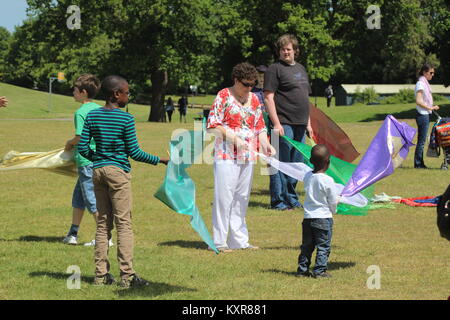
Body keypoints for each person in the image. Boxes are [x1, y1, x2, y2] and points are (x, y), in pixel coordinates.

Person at [78, 75, 169, 288]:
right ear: (116, 94)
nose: (128, 96)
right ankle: (127, 276)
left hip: (98, 172)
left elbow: (83, 148)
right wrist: (160, 160)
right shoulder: (125, 119)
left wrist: (99, 160)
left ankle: (100, 276)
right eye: (126, 92)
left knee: (102, 225)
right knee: (124, 224)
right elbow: (134, 152)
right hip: (118, 174)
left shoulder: (92, 116)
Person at [207, 62, 276, 252]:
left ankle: (239, 241)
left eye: (252, 84)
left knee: (241, 199)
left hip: (248, 156)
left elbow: (259, 126)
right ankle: (219, 242)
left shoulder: (254, 99)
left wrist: (266, 143)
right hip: (226, 155)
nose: (249, 88)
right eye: (245, 84)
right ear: (236, 80)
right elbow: (212, 125)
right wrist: (235, 139)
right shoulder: (223, 96)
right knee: (224, 198)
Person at [264, 34, 313, 211]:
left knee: (297, 165)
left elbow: (305, 97)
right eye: (283, 49)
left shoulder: (301, 69)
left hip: (300, 124)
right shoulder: (274, 69)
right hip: (283, 123)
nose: (286, 52)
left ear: (295, 51)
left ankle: (291, 198)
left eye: (289, 49)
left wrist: (308, 123)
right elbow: (268, 97)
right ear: (279, 52)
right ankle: (279, 201)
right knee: (279, 163)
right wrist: (276, 124)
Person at [63, 74, 110, 247]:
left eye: (75, 91)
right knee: (79, 199)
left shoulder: (80, 112)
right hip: (98, 159)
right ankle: (72, 234)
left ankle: (105, 237)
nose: (73, 93)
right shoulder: (99, 109)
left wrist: (69, 143)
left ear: (83, 92)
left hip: (86, 161)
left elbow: (80, 136)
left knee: (92, 200)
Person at [296, 144, 338, 278]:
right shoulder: (328, 180)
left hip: (308, 218)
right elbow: (332, 200)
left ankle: (302, 270)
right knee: (323, 246)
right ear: (328, 162)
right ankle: (319, 271)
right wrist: (334, 209)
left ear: (311, 160)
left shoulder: (308, 176)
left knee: (307, 246)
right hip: (323, 218)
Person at [414, 63, 440, 169]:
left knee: (422, 140)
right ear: (424, 73)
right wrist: (430, 108)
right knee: (422, 141)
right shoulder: (421, 83)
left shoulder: (424, 83)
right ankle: (418, 164)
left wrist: (430, 107)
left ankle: (419, 163)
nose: (432, 75)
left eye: (433, 73)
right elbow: (418, 101)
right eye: (431, 72)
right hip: (422, 115)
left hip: (424, 114)